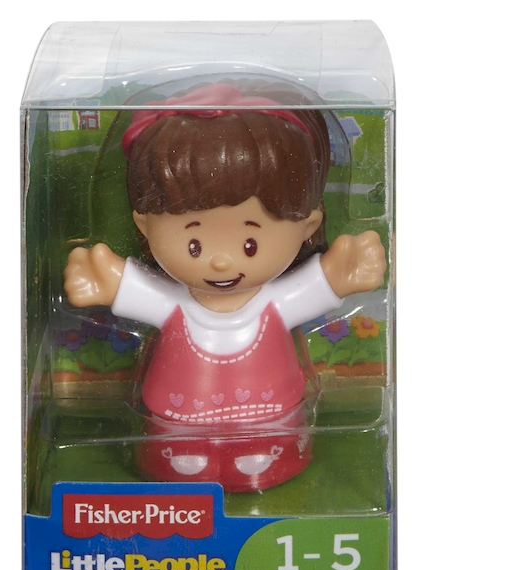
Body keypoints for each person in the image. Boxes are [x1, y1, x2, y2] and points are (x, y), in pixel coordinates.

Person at [64, 83, 386, 491]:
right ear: (144, 226)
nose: (220, 262)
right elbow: (134, 289)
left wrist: (340, 275)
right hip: (179, 412)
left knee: (265, 445)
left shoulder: (274, 300)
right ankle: (186, 459)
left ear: (308, 226)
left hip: (269, 410)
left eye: (250, 244)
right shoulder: (174, 302)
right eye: (194, 245)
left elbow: (318, 286)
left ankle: (259, 454)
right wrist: (107, 280)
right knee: (181, 455)